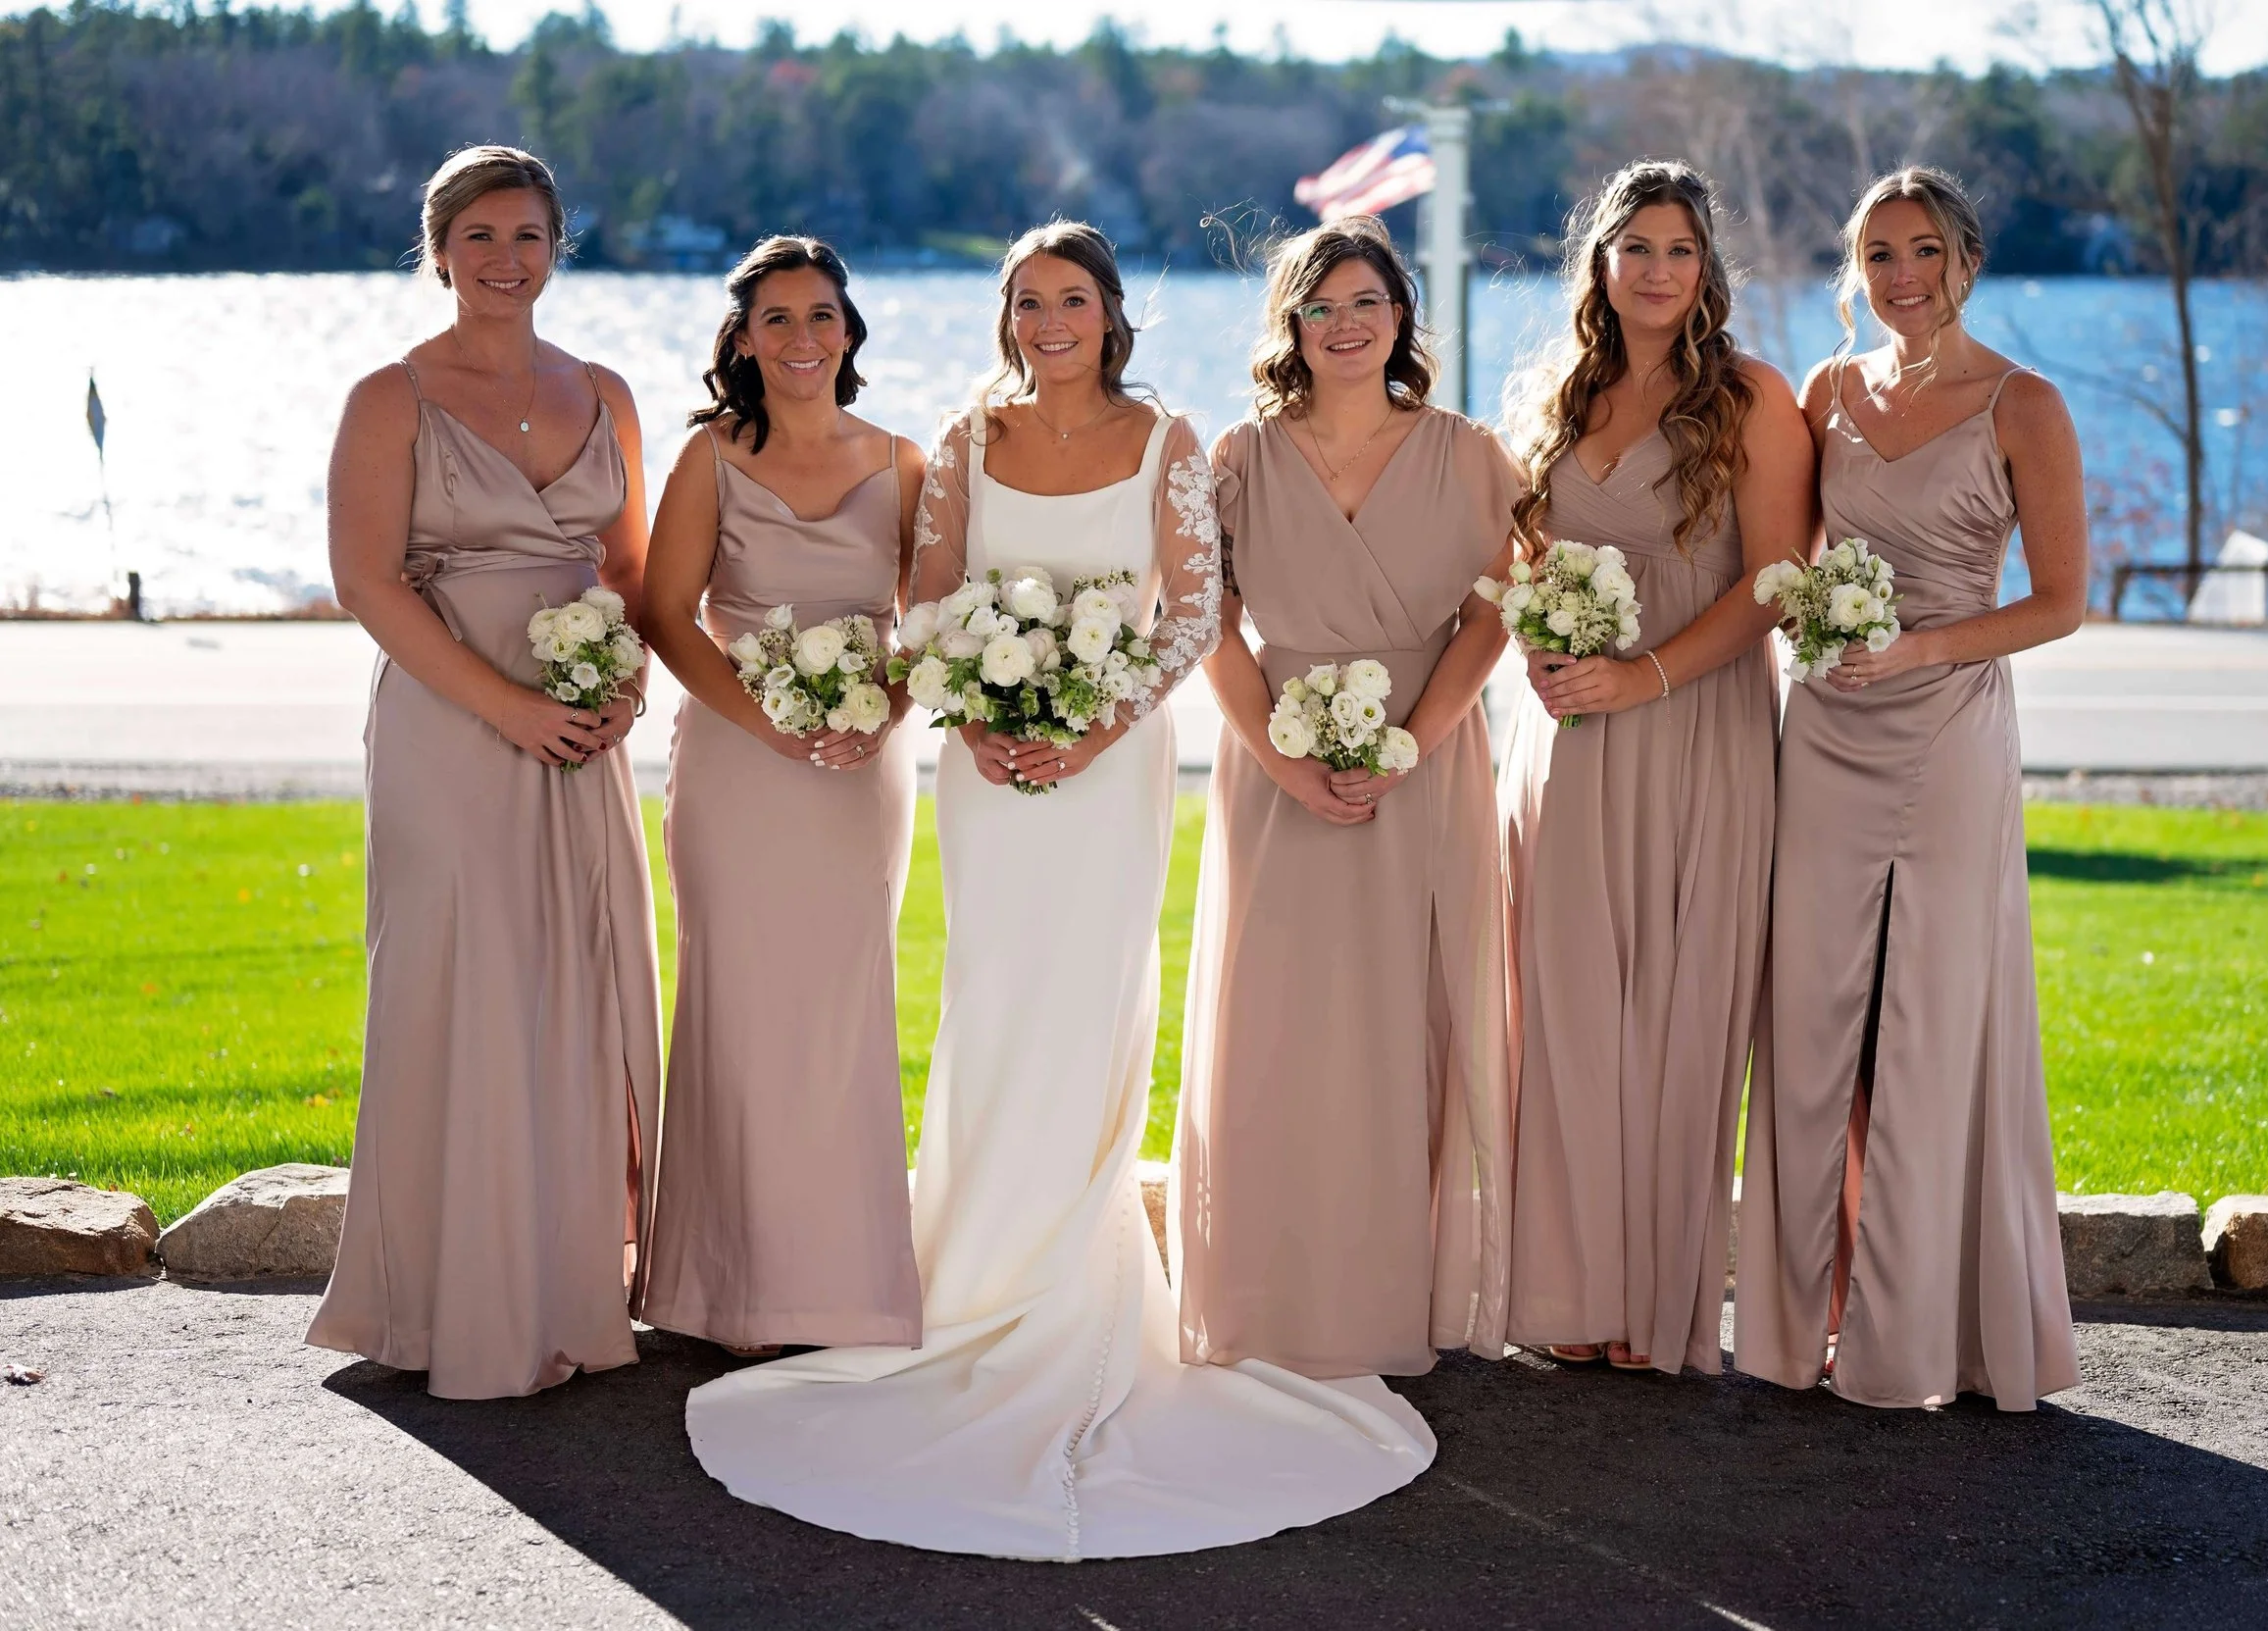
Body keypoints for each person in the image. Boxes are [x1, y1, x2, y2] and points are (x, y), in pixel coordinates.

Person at [684, 222, 1436, 1560]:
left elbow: (1193, 616)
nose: (1047, 321)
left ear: (1110, 311)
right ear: (1005, 315)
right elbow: (927, 594)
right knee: (993, 998)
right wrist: (968, 705)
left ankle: (1078, 1291)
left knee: (1090, 1003)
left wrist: (1093, 725)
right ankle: (969, 1283)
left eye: (1071, 299)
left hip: (1107, 768)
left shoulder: (1168, 437)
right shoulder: (969, 437)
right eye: (1025, 300)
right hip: (988, 772)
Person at [308, 145, 661, 1401]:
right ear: (439, 250)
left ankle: (570, 1287)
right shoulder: (389, 398)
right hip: (451, 729)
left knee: (577, 987)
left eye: (528, 236)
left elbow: (628, 572)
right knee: (464, 987)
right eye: (481, 237)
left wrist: (623, 683)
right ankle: (447, 1304)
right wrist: (507, 705)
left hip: (580, 731)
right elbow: (368, 582)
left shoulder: (607, 391)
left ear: (557, 247)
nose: (506, 260)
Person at [1736, 166, 2087, 1411]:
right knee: (1817, 1020)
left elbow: (2060, 602)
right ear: (1857, 270)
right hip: (1825, 734)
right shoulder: (1829, 392)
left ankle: (1921, 1333)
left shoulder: (2022, 404)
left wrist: (1920, 647)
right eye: (1878, 255)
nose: (1902, 277)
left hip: (1946, 730)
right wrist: (1811, 636)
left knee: (1924, 1020)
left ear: (1966, 261)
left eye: (1923, 251)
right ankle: (1807, 1317)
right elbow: (1784, 562)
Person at [1171, 215, 1517, 1380]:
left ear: (1400, 316)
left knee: (1404, 1026)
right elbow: (1204, 622)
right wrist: (1279, 758)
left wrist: (1415, 743)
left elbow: (1491, 614)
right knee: (1279, 1028)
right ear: (1291, 327)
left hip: (1425, 764)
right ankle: (1267, 1298)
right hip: (1277, 764)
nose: (1345, 326)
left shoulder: (1469, 452)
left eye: (1366, 303)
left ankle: (1389, 1298)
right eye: (1320, 307)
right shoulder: (1239, 456)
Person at [1500, 160, 1813, 1376]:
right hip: (1566, 737)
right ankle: (1568, 1288)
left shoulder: (1751, 395)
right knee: (1568, 1005)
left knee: (1679, 1012)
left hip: (1698, 727)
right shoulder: (1551, 399)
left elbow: (1776, 578)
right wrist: (1541, 646)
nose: (1657, 269)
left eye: (1679, 249)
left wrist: (1648, 677)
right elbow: (1515, 556)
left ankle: (1657, 1301)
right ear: (1601, 261)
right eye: (1635, 246)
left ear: (1706, 269)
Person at [630, 235, 927, 1358]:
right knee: (740, 1006)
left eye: (820, 316)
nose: (801, 339)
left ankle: (844, 1287)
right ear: (743, 341)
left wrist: (876, 716)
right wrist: (767, 720)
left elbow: (924, 626)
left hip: (859, 777)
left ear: (848, 330)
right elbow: (666, 613)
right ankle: (724, 1289)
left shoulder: (905, 461)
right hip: (737, 766)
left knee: (843, 1012)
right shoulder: (710, 458)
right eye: (777, 319)